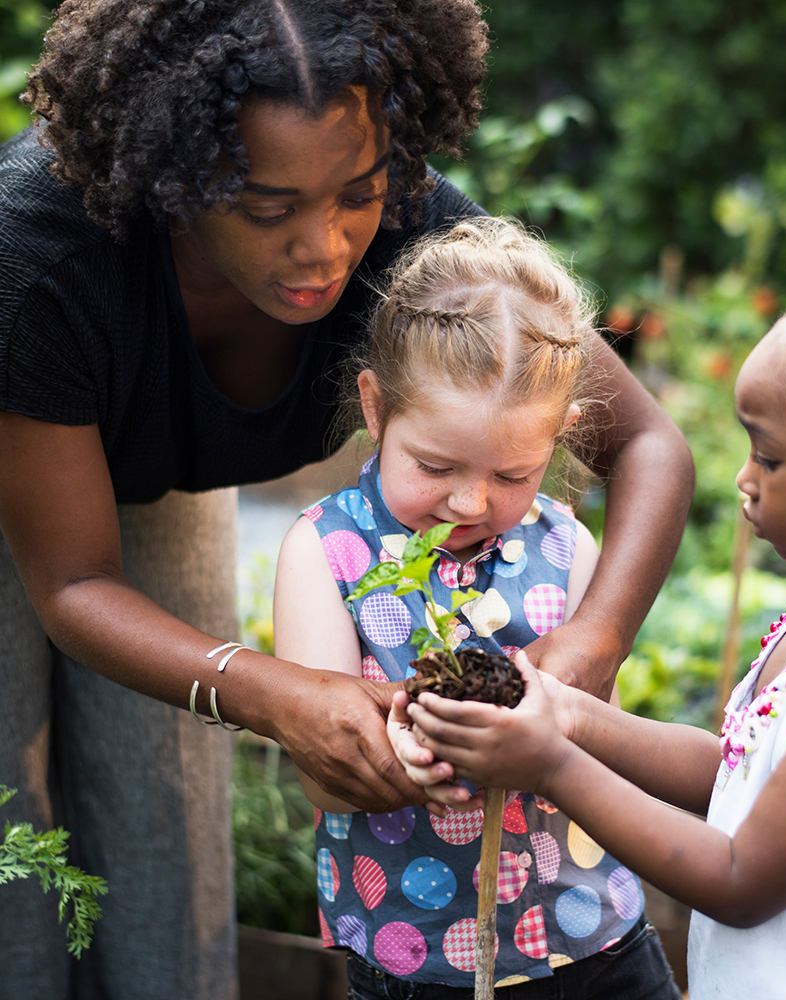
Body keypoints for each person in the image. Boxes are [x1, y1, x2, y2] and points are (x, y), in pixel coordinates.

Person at [0, 2, 694, 998]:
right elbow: (71, 585)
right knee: (9, 833)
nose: (324, 248)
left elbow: (651, 447)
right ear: (173, 181)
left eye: (354, 196)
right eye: (268, 209)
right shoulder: (38, 256)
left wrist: (587, 649)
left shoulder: (414, 228)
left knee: (161, 816)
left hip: (161, 467)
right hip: (16, 425)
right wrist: (274, 690)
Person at [399, 203, 786, 998]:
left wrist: (550, 762)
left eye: (770, 457)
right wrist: (572, 714)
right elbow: (737, 776)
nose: (743, 479)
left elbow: (741, 877)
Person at [273, 216, 683, 999]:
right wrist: (404, 754)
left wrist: (555, 732)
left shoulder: (567, 550)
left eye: (514, 474)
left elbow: (603, 737)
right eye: (434, 465)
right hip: (420, 955)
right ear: (375, 406)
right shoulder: (326, 552)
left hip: (592, 937)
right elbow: (323, 775)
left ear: (561, 438)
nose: (468, 501)